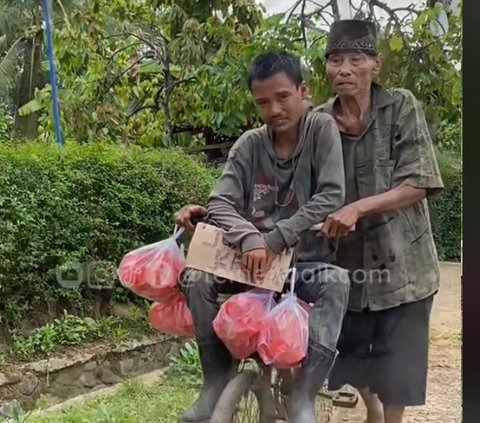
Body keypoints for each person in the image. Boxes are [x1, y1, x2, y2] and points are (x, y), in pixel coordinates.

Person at [175, 51, 350, 423]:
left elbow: (332, 195)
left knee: (337, 281)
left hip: (302, 266)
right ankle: (215, 381)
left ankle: (303, 393)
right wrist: (250, 238)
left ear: (303, 91)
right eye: (263, 102)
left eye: (283, 97)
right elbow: (219, 201)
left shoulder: (321, 130)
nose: (274, 109)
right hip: (247, 268)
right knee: (195, 277)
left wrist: (275, 239)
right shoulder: (249, 145)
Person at [314, 20, 444, 423]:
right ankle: (370, 410)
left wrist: (357, 208)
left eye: (356, 59)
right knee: (349, 355)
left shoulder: (401, 106)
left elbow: (419, 182)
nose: (345, 69)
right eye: (336, 60)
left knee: (397, 363)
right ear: (327, 69)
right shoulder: (317, 122)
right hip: (346, 266)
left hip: (405, 263)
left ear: (376, 65)